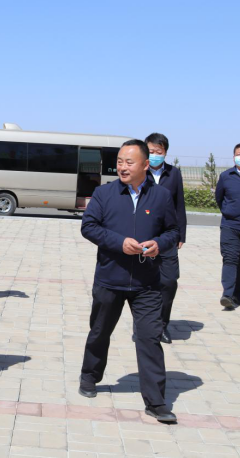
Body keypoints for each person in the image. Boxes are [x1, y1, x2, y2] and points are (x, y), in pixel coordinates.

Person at [78, 139, 179, 423]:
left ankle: (156, 401)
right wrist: (119, 242)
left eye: (129, 162)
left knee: (149, 338)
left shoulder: (161, 196)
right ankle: (89, 376)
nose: (122, 167)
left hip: (148, 283)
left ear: (145, 165)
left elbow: (173, 231)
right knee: (100, 332)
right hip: (110, 278)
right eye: (120, 161)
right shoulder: (104, 193)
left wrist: (159, 244)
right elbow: (88, 226)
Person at [130, 133, 187, 344]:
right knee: (141, 283)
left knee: (169, 282)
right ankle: (142, 327)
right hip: (142, 236)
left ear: (165, 152)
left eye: (158, 151)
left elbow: (179, 205)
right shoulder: (138, 171)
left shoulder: (174, 174)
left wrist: (181, 234)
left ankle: (162, 326)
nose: (154, 154)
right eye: (151, 151)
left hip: (168, 236)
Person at [215, 143, 240, 309]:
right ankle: (227, 294)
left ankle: (238, 295)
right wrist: (229, 212)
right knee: (230, 258)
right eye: (238, 154)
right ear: (234, 157)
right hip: (230, 225)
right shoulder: (226, 176)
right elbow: (219, 198)